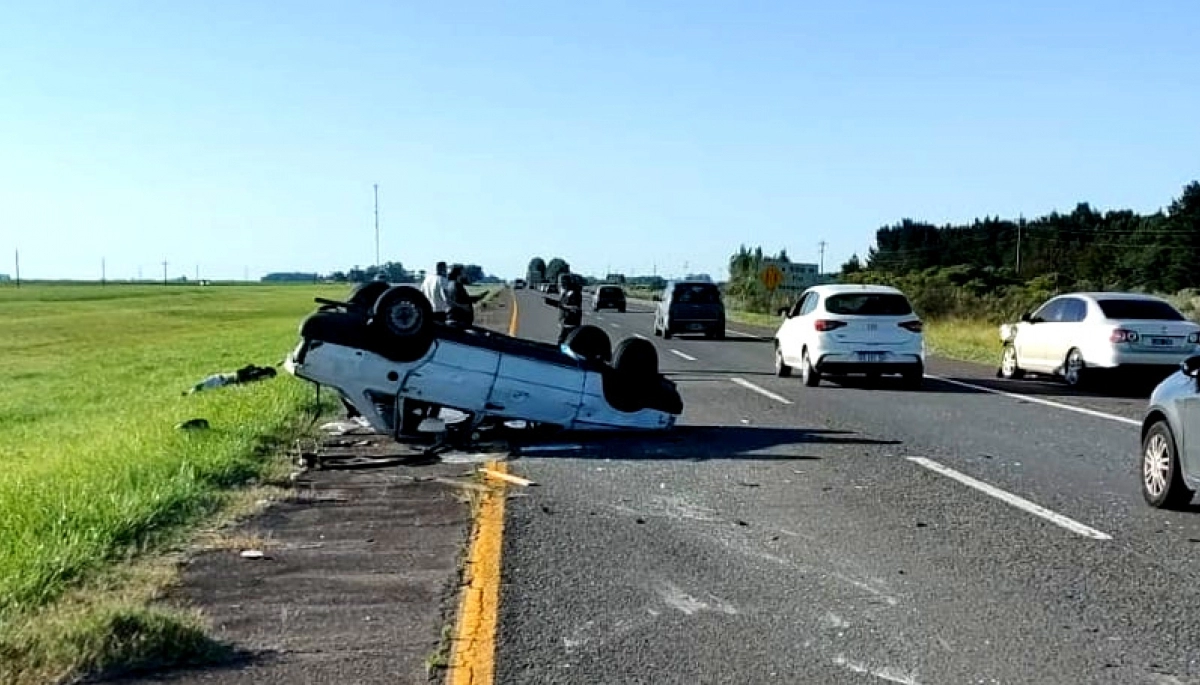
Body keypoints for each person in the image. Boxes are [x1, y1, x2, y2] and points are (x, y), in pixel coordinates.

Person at [557, 276, 584, 344]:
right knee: (562, 340)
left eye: (561, 282)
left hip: (571, 323)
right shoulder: (565, 292)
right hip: (565, 322)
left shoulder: (575, 293)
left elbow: (576, 307)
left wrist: (564, 306)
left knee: (567, 342)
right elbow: (561, 303)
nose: (560, 284)